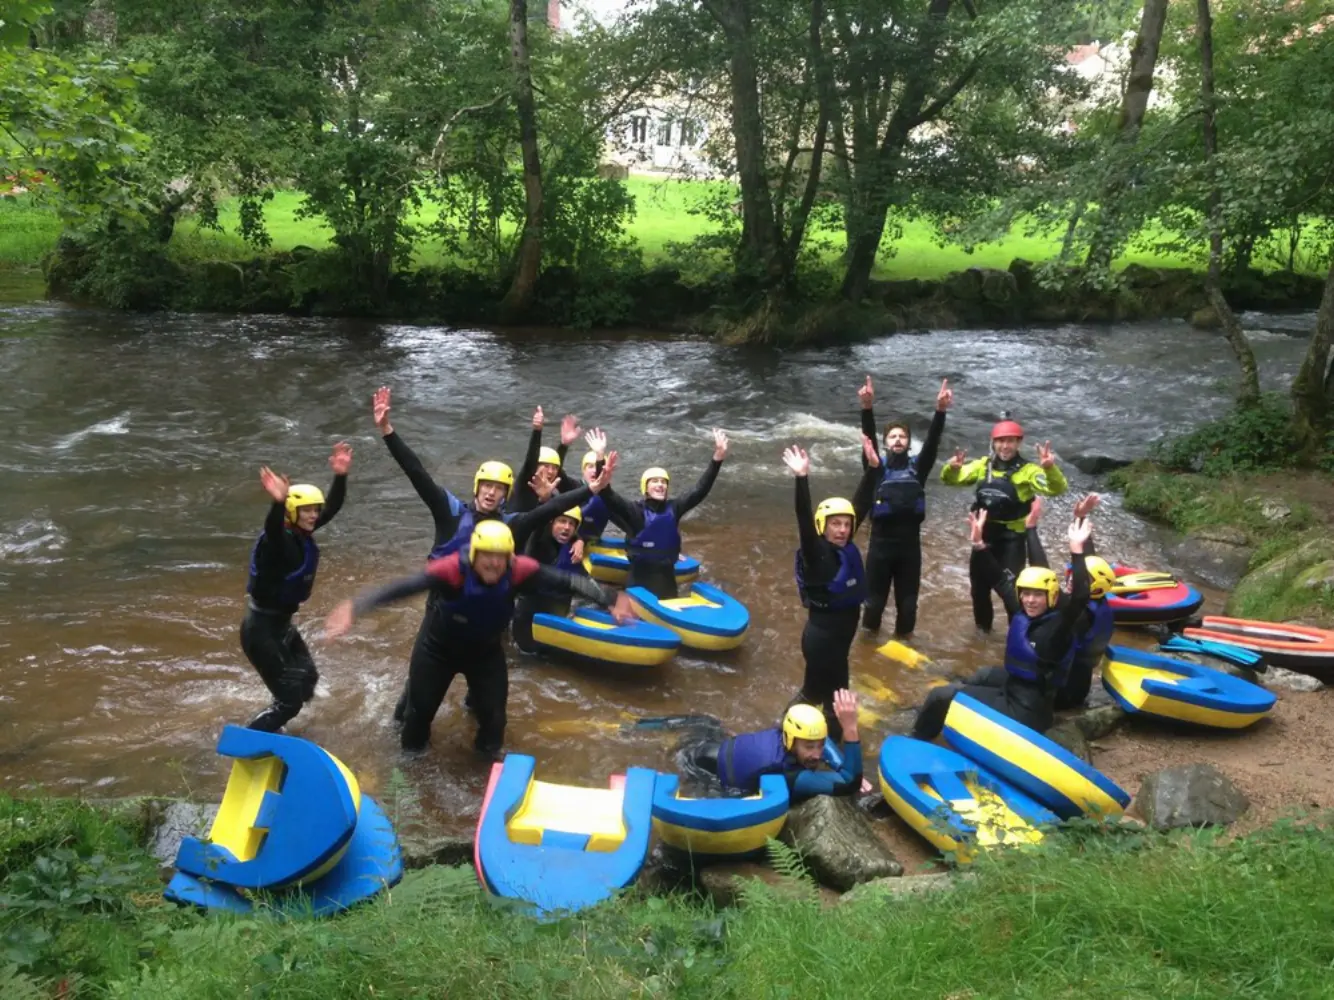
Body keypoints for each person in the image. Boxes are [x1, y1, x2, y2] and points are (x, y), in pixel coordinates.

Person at [326, 520, 635, 755]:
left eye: (501, 557)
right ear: (474, 554)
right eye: (487, 556)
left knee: (495, 722)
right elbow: (404, 587)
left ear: (510, 558)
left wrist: (610, 597)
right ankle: (409, 778)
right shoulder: (451, 571)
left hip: (484, 654)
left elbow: (567, 580)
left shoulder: (519, 570)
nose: (494, 563)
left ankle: (482, 777)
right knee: (417, 720)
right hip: (437, 650)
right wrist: (356, 607)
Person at [909, 508, 1093, 741]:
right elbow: (998, 579)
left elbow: (1080, 597)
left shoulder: (1057, 629)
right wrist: (978, 544)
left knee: (939, 695)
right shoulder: (1023, 612)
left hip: (1027, 711)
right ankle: (950, 708)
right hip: (1015, 687)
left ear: (1052, 597)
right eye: (1026, 594)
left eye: (1038, 595)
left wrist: (1077, 550)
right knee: (984, 674)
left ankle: (916, 739)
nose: (1030, 600)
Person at [372, 386, 599, 559]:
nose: (491, 493)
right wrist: (387, 431)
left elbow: (554, 508)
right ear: (477, 488)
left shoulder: (513, 523)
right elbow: (416, 472)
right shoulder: (450, 511)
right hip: (443, 611)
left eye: (499, 488)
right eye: (487, 486)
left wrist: (593, 489)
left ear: (506, 495)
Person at [240, 442, 351, 732]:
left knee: (308, 680)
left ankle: (288, 727)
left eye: (315, 510)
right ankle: (248, 741)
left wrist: (340, 476)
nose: (314, 515)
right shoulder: (277, 543)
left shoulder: (304, 530)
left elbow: (334, 506)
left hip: (281, 626)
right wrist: (277, 502)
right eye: (307, 511)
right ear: (291, 512)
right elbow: (272, 529)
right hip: (260, 630)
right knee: (289, 703)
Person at [783, 438, 880, 742]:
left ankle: (812, 743)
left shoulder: (846, 547)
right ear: (822, 526)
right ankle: (795, 739)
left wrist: (874, 469)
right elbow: (802, 517)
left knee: (827, 695)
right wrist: (802, 478)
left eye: (846, 524)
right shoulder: (817, 553)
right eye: (835, 524)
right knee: (825, 695)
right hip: (822, 640)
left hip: (839, 640)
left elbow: (860, 504)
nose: (842, 530)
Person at [941, 416, 1068, 632]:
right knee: (979, 591)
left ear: (1019, 443)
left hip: (1012, 540)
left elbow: (1056, 489)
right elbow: (953, 480)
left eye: (1010, 441)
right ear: (993, 443)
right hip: (983, 537)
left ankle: (1018, 636)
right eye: (1000, 441)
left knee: (1012, 594)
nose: (1005, 446)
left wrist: (1049, 469)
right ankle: (982, 636)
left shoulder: (1028, 471)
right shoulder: (983, 466)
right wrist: (951, 468)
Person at [857, 375, 952, 636]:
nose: (897, 440)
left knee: (908, 607)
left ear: (909, 442)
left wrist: (940, 411)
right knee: (873, 605)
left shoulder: (917, 469)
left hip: (910, 549)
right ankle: (868, 651)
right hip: (880, 547)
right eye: (892, 436)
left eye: (902, 436)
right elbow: (868, 444)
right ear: (885, 442)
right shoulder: (876, 467)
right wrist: (867, 408)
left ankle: (904, 649)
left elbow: (932, 443)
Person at [598, 428, 730, 599]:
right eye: (654, 481)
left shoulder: (674, 508)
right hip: (639, 584)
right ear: (645, 488)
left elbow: (700, 490)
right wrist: (600, 457)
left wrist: (717, 458)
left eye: (663, 482)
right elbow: (607, 495)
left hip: (667, 583)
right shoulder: (635, 512)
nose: (660, 485)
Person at [680, 691, 864, 802]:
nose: (817, 755)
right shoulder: (793, 775)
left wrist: (843, 765)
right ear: (791, 741)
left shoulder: (786, 734)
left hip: (714, 748)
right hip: (701, 768)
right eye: (809, 747)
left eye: (820, 745)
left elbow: (827, 744)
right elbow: (850, 784)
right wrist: (850, 729)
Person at [1025, 494, 1118, 709]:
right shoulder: (1099, 600)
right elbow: (1088, 560)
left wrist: (1030, 529)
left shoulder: (1078, 613)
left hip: (1062, 693)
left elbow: (1042, 572)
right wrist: (1081, 517)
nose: (1068, 579)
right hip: (1079, 685)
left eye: (1075, 579)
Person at [511, 504, 588, 654]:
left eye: (571, 524)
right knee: (527, 658)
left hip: (555, 620)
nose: (566, 527)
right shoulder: (538, 543)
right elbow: (538, 521)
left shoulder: (573, 552)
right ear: (551, 523)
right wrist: (545, 501)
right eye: (562, 521)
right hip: (528, 620)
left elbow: (586, 584)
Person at [509, 407, 584, 513]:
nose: (550, 471)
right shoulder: (524, 484)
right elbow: (531, 460)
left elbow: (558, 467)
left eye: (554, 468)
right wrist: (537, 430)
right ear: (536, 466)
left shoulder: (552, 492)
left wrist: (564, 445)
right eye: (546, 466)